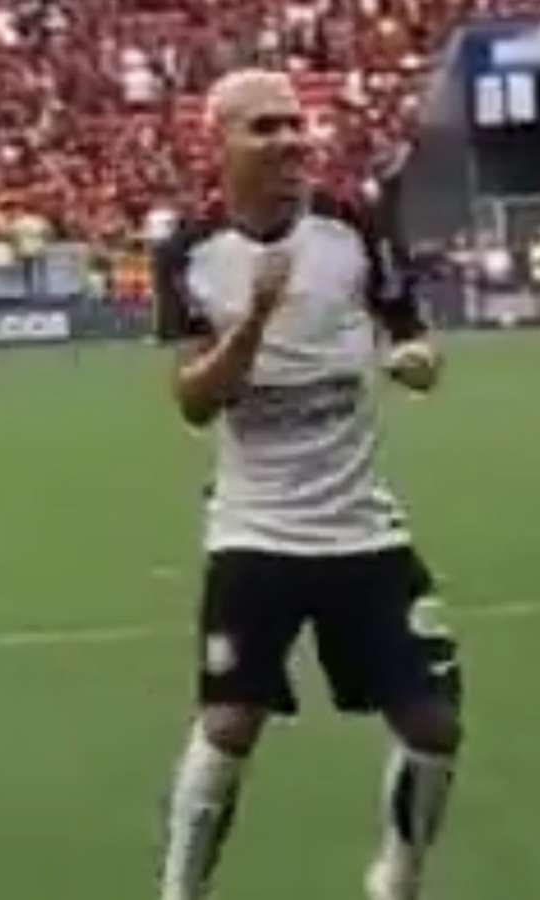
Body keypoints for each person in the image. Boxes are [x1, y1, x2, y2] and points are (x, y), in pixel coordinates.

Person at [151, 69, 463, 900]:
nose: (291, 140)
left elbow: (415, 338)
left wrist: (416, 360)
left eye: (296, 123)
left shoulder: (353, 226)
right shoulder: (189, 252)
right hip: (256, 528)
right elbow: (193, 401)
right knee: (230, 723)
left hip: (362, 525)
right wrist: (253, 322)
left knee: (434, 721)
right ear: (219, 143)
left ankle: (396, 879)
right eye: (265, 127)